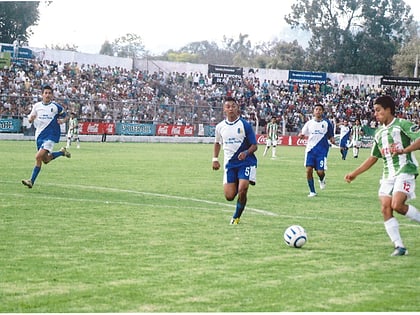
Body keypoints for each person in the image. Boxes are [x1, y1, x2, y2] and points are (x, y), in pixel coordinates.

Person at [344, 95, 420, 256]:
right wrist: (354, 173)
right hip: (388, 175)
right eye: (374, 111)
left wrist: (404, 150)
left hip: (405, 170)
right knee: (386, 207)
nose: (375, 114)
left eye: (378, 111)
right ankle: (399, 246)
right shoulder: (379, 133)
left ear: (388, 110)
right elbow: (373, 158)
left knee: (397, 205)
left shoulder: (402, 125)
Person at [212, 96, 258, 224]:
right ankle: (241, 180)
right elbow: (217, 143)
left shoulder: (245, 125)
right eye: (228, 106)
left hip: (245, 162)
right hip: (230, 165)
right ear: (224, 110)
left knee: (242, 189)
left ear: (237, 108)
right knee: (229, 196)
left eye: (233, 106)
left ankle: (236, 217)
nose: (230, 108)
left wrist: (246, 152)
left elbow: (254, 146)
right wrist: (215, 159)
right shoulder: (220, 127)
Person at [22, 85, 71, 189]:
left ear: (52, 95)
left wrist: (63, 120)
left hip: (51, 136)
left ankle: (31, 180)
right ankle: (62, 152)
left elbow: (66, 115)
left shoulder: (55, 107)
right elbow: (30, 119)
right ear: (42, 94)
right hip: (39, 135)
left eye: (49, 93)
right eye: (46, 93)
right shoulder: (37, 106)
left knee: (38, 157)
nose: (47, 95)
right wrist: (31, 119)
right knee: (46, 160)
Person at [298, 104, 335, 197]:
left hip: (322, 151)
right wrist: (301, 135)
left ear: (322, 112)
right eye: (316, 109)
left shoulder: (327, 123)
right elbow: (302, 133)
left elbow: (331, 136)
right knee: (308, 170)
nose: (318, 111)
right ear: (313, 111)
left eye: (320, 109)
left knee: (320, 172)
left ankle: (322, 179)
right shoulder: (309, 123)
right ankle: (312, 191)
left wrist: (332, 139)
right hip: (310, 150)